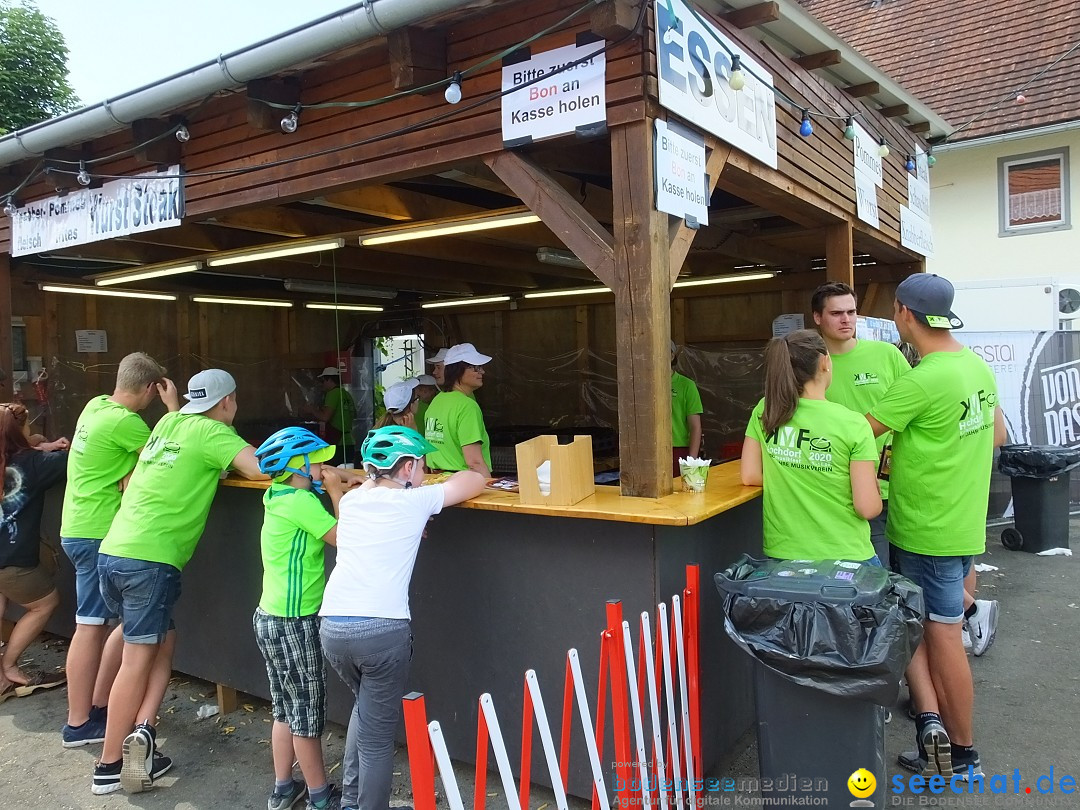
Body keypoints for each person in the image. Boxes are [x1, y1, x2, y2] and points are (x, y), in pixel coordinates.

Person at [92, 369, 266, 795]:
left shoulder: (170, 422)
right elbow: (264, 466)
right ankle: (110, 765)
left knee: (163, 641)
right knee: (137, 662)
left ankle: (144, 732)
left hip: (115, 550)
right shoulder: (214, 434)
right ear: (226, 402)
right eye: (235, 402)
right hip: (150, 562)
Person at [865, 274, 1006, 779]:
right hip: (964, 522)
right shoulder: (975, 367)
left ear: (903, 313)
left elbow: (860, 431)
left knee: (942, 636)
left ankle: (963, 753)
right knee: (930, 629)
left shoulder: (922, 378)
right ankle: (937, 734)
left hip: (928, 529)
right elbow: (997, 436)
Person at [320, 426, 485, 810]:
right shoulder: (415, 501)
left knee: (365, 707)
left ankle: (350, 801)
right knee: (378, 741)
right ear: (408, 468)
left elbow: (364, 517)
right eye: (423, 466)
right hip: (380, 632)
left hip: (333, 626)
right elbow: (476, 478)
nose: (425, 474)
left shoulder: (355, 501)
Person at [59, 352, 179, 748]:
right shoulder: (126, 423)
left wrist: (127, 469)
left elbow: (131, 463)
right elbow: (169, 453)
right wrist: (173, 408)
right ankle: (80, 722)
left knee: (102, 625)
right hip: (99, 531)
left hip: (76, 525)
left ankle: (95, 709)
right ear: (150, 389)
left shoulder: (95, 407)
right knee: (91, 627)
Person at [253, 427, 343, 810]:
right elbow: (344, 537)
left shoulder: (278, 495)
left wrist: (340, 478)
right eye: (319, 460)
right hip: (295, 623)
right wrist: (338, 493)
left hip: (269, 617)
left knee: (285, 709)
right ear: (300, 466)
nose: (326, 466)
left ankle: (284, 787)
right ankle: (321, 797)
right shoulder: (303, 504)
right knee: (306, 713)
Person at [741, 330, 881, 562]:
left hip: (782, 556)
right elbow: (867, 508)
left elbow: (750, 475)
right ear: (825, 362)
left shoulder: (766, 409)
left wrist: (795, 472)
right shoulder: (853, 423)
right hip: (846, 557)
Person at [811, 282, 911, 564]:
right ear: (817, 317)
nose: (846, 319)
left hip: (896, 480)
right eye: (836, 313)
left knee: (913, 570)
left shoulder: (887, 354)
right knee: (867, 571)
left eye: (851, 312)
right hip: (840, 487)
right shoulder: (810, 365)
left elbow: (917, 406)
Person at [0, 406, 68, 703]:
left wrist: (39, 444)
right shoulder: (34, 464)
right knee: (44, 603)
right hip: (13, 561)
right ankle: (10, 666)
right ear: (19, 432)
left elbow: (28, 446)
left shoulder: (22, 457)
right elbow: (76, 459)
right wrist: (56, 447)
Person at [423, 343, 493, 477]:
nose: (482, 372)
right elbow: (474, 462)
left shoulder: (436, 401)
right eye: (476, 368)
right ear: (458, 370)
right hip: (463, 484)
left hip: (437, 481)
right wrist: (491, 490)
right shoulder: (467, 406)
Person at [670, 341, 703, 475]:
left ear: (672, 356)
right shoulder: (643, 385)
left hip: (678, 450)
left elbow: (695, 426)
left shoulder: (686, 385)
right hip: (649, 451)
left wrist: (691, 462)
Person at [312, 368, 356, 467]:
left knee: (332, 471)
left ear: (329, 380)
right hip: (349, 440)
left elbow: (325, 417)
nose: (322, 384)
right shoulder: (347, 394)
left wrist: (312, 410)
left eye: (323, 381)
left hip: (337, 442)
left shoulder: (333, 393)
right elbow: (354, 415)